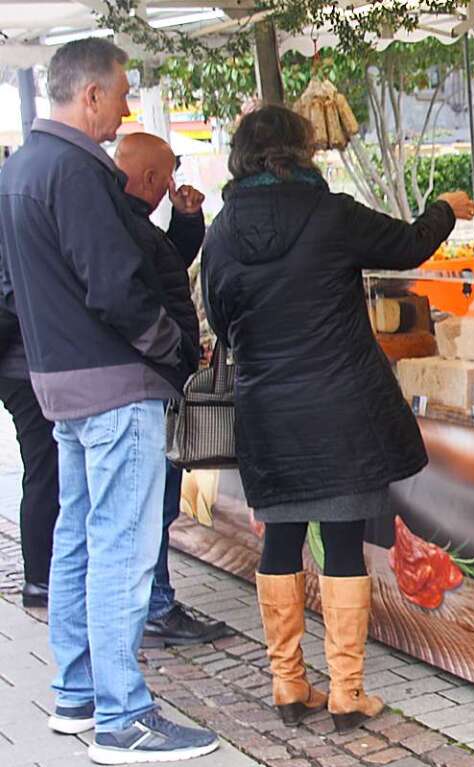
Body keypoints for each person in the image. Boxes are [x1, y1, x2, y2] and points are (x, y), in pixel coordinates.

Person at [201, 105, 474, 730]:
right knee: (344, 540)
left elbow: (221, 322)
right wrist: (444, 209)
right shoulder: (331, 213)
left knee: (281, 539)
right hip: (341, 404)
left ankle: (288, 684)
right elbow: (406, 245)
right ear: (302, 151)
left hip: (268, 409)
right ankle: (347, 691)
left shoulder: (220, 232)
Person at [0, 39, 218, 763]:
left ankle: (76, 693)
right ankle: (122, 715)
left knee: (80, 539)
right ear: (89, 94)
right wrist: (171, 351)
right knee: (119, 547)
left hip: (61, 381)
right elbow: (116, 285)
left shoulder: (24, 166)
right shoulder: (74, 170)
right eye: (122, 92)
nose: (125, 106)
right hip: (112, 383)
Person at [113, 132, 230, 648]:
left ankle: (152, 602)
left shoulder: (132, 222)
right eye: (169, 175)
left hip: (149, 377)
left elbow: (165, 266)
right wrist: (176, 350)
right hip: (145, 382)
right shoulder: (118, 224)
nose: (174, 184)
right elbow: (129, 299)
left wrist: (185, 221)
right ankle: (154, 606)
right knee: (149, 505)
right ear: (153, 178)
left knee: (149, 505)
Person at [0, 295, 59, 609]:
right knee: (46, 472)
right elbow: (12, 299)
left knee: (45, 471)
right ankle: (40, 579)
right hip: (25, 367)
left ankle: (43, 576)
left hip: (22, 365)